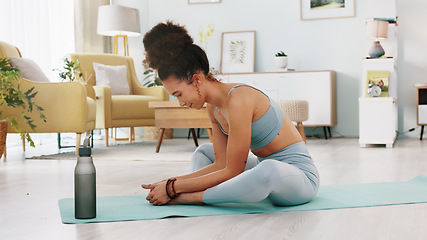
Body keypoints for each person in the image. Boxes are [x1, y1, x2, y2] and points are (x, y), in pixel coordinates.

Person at [141, 21, 319, 206]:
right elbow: (221, 164)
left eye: (179, 94)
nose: (181, 103)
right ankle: (203, 193)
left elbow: (233, 171)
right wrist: (170, 181)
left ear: (196, 79)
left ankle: (191, 198)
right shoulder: (214, 108)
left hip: (297, 178)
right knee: (203, 152)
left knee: (268, 169)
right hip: (260, 167)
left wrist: (174, 188)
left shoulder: (238, 100)